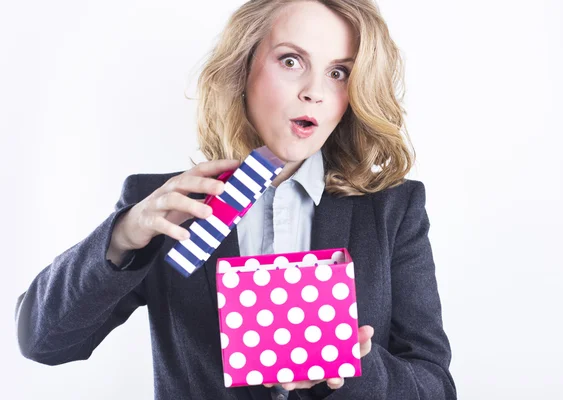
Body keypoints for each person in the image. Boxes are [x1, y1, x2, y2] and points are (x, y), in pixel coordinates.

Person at [15, 0, 457, 399]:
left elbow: (435, 387)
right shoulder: (169, 207)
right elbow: (44, 342)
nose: (315, 91)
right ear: (243, 69)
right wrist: (125, 235)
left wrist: (351, 368)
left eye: (338, 72)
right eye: (291, 60)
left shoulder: (392, 210)